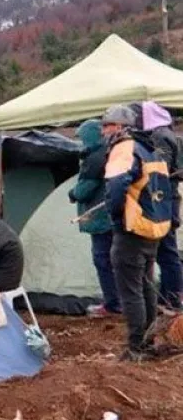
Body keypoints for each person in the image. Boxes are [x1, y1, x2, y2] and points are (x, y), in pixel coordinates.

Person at [103, 104, 174, 361]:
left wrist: (115, 215)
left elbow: (116, 185)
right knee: (145, 285)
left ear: (121, 126)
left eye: (107, 125)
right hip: (153, 227)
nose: (104, 131)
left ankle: (136, 347)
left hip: (132, 228)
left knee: (131, 289)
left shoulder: (124, 148)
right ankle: (148, 341)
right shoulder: (151, 149)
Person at [68, 120, 120, 317]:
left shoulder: (95, 158)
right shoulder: (109, 152)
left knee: (103, 259)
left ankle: (112, 303)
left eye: (82, 138)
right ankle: (120, 300)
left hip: (100, 218)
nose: (81, 142)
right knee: (116, 259)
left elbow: (85, 190)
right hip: (111, 215)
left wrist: (73, 193)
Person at [136, 101, 183, 310]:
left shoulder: (160, 136)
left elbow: (159, 169)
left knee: (166, 250)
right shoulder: (169, 133)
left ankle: (173, 296)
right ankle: (169, 295)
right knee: (166, 249)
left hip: (163, 200)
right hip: (168, 198)